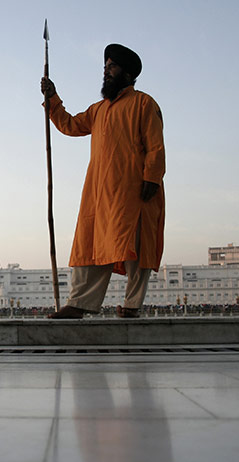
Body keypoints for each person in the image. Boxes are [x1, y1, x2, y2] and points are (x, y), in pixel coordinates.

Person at [41, 43, 165, 318]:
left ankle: (132, 305)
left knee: (135, 248)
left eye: (112, 67)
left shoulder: (144, 104)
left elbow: (155, 147)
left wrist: (152, 178)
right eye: (105, 67)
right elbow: (70, 125)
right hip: (99, 193)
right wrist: (53, 98)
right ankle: (79, 303)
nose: (106, 72)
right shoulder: (98, 110)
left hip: (134, 190)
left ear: (128, 73)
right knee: (91, 245)